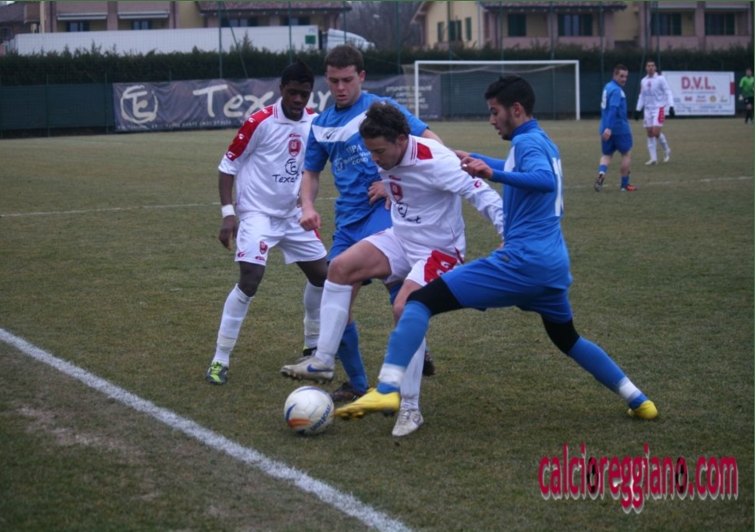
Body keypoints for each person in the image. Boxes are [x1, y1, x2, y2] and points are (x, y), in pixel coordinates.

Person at [335, 75, 658, 428]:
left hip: (520, 262)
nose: (491, 120)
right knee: (568, 338)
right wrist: (477, 160)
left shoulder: (527, 144)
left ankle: (387, 388)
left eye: (494, 112)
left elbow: (543, 180)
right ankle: (638, 399)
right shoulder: (540, 140)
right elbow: (525, 169)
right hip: (552, 263)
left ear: (515, 110)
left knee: (416, 302)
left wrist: (492, 173)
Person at [282, 102, 504, 436]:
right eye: (370, 151)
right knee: (339, 268)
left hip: (439, 251)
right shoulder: (386, 154)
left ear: (402, 139)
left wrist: (510, 238)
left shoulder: (437, 160)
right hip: (401, 238)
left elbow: (485, 197)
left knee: (405, 307)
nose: (375, 159)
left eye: (379, 152)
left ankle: (410, 408)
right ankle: (323, 360)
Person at [279, 44, 444, 402]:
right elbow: (310, 173)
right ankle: (358, 383)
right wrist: (306, 205)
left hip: (382, 210)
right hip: (348, 221)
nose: (340, 87)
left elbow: (431, 143)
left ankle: (411, 358)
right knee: (334, 301)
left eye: (348, 80)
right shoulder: (321, 124)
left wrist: (393, 182)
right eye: (334, 81)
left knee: (392, 283)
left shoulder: (381, 109)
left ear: (362, 77)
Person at [205, 61, 328, 385]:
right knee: (250, 279)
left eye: (304, 94)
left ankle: (312, 344)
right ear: (281, 89)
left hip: (293, 215)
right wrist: (228, 213)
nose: (298, 99)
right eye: (292, 92)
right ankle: (220, 359)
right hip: (258, 214)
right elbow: (227, 167)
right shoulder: (259, 122)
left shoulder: (315, 123)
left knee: (323, 277)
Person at [595, 64, 636, 192]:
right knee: (626, 154)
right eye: (621, 76)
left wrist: (606, 128)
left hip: (605, 128)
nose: (624, 79)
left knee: (607, 155)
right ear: (615, 75)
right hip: (619, 129)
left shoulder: (607, 87)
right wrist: (609, 128)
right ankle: (625, 185)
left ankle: (601, 175)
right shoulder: (617, 90)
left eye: (626, 77)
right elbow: (613, 109)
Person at [634, 60, 674, 165]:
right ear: (646, 68)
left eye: (652, 65)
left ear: (655, 68)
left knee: (655, 132)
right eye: (648, 66)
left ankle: (666, 149)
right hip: (647, 109)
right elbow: (642, 96)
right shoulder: (643, 81)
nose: (650, 67)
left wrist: (671, 105)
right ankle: (653, 159)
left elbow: (668, 92)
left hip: (658, 108)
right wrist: (638, 109)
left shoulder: (660, 79)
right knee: (650, 133)